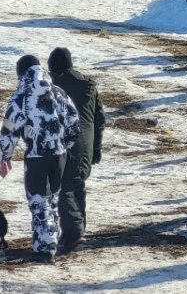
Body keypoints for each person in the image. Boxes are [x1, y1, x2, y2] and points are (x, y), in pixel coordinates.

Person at [0, 55, 81, 263]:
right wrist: (64, 144)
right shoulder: (59, 93)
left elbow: (10, 131)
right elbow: (73, 123)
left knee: (39, 202)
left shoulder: (21, 98)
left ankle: (44, 248)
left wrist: (4, 156)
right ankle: (51, 238)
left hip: (36, 156)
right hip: (59, 154)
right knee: (52, 199)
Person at [48, 47, 105, 253]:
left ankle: (74, 234)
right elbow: (99, 119)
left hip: (68, 144)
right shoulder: (88, 84)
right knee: (77, 186)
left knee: (66, 188)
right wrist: (96, 147)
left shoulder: (55, 86)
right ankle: (78, 229)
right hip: (87, 146)